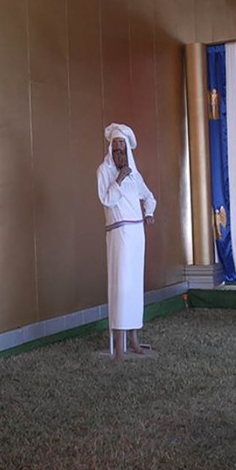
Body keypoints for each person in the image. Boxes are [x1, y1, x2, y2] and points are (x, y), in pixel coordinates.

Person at [97, 123, 156, 361]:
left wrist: (148, 212)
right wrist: (119, 179)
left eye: (122, 145)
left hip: (136, 234)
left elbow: (149, 197)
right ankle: (119, 343)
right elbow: (106, 199)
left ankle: (134, 338)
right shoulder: (104, 171)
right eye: (115, 145)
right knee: (120, 285)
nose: (119, 149)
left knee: (133, 286)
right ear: (110, 148)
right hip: (119, 233)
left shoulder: (135, 174)